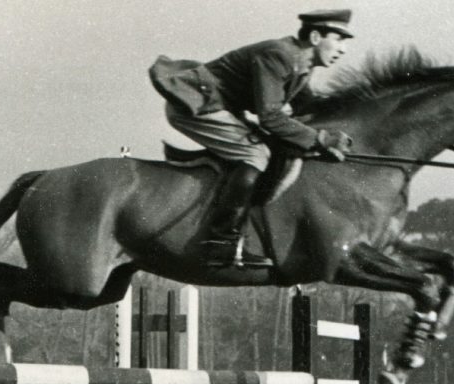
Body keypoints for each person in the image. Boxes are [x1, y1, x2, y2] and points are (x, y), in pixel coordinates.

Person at [149, 10, 356, 268]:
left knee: (270, 146)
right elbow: (270, 117)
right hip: (195, 106)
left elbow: (307, 105)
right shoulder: (280, 55)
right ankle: (220, 242)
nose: (343, 49)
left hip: (218, 106)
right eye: (339, 39)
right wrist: (321, 138)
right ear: (315, 37)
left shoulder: (302, 64)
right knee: (256, 153)